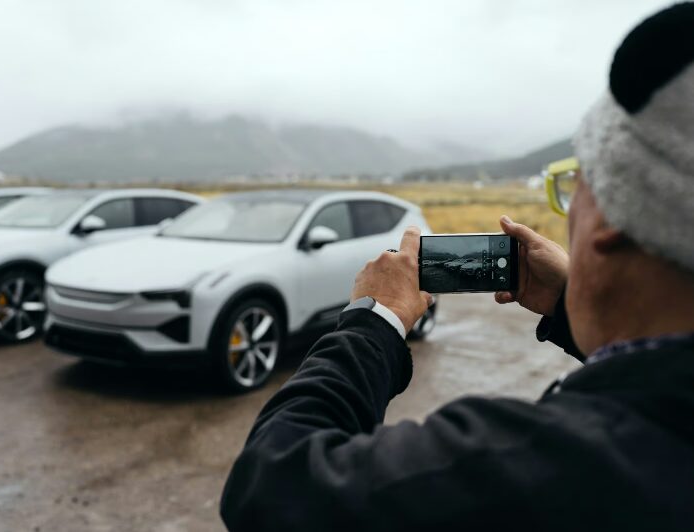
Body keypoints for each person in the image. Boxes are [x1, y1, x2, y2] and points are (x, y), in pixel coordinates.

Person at [220, 3, 694, 531]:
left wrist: (373, 320)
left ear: (612, 218)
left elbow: (273, 485)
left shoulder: (542, 464)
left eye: (573, 187)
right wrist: (568, 305)